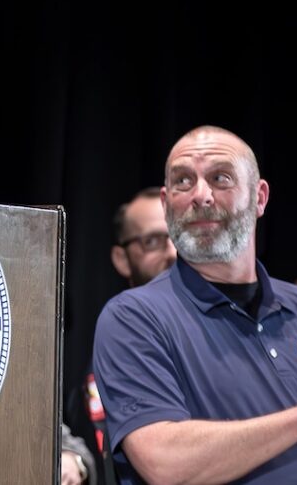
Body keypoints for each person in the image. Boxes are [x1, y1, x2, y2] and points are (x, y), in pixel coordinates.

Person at [92, 126, 297, 483]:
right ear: (165, 202)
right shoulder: (134, 318)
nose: (201, 195)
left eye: (220, 178)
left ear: (259, 197)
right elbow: (165, 464)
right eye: (184, 181)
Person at [68, 188, 178, 481]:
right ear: (121, 258)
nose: (172, 253)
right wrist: (71, 457)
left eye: (177, 237)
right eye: (152, 241)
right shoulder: (112, 342)